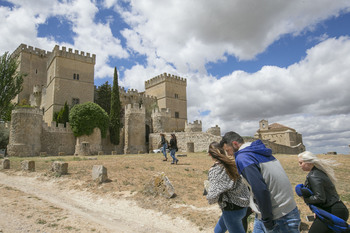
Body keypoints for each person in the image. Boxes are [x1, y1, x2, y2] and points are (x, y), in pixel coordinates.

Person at [220, 131, 300, 233]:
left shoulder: (243, 157)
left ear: (235, 144)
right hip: (284, 209)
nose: (229, 154)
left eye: (228, 150)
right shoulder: (259, 151)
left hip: (278, 216)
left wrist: (267, 220)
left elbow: (260, 190)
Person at [297, 151, 349, 233]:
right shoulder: (319, 172)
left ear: (309, 162)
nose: (299, 165)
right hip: (335, 209)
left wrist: (305, 199)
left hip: (333, 211)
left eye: (301, 163)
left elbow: (320, 198)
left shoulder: (313, 175)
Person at [206, 142, 250, 233]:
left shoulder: (216, 170)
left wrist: (208, 191)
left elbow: (212, 197)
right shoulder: (233, 163)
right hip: (243, 206)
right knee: (217, 231)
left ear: (209, 154)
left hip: (231, 210)